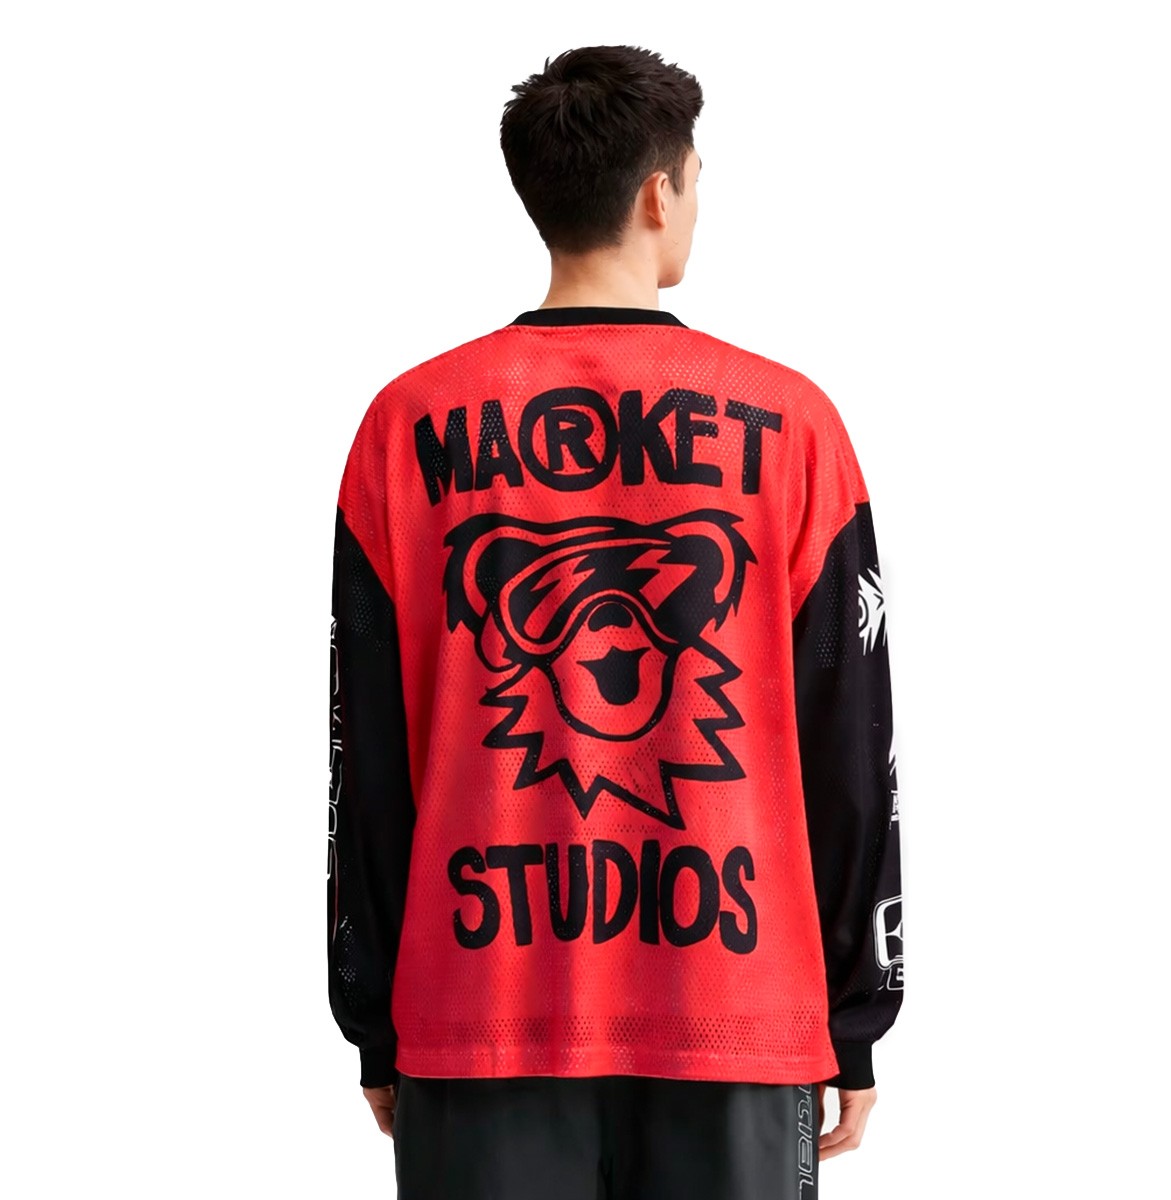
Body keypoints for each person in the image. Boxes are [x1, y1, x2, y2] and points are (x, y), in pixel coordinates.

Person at [327, 43, 904, 1200]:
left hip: (475, 1014)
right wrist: (856, 1014)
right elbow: (850, 745)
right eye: (696, 179)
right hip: (737, 1017)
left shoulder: (405, 425)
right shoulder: (793, 424)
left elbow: (365, 755)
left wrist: (376, 1017)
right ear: (658, 192)